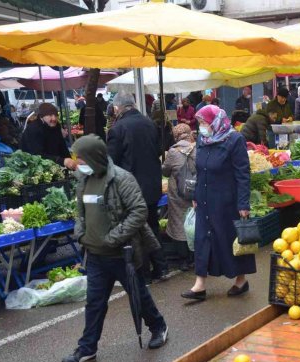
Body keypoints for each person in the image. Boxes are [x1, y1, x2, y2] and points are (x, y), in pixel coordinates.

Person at [61, 134, 168, 362]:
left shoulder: (121, 178)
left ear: (94, 157)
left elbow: (139, 211)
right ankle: (87, 348)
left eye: (80, 159)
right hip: (96, 256)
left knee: (138, 295)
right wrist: (80, 233)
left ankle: (158, 326)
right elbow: (80, 212)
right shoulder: (84, 179)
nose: (77, 164)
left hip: (123, 253)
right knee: (94, 303)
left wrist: (114, 237)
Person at [181, 105, 255, 302]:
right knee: (202, 240)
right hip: (205, 198)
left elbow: (242, 174)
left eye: (204, 122)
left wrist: (243, 203)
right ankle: (200, 284)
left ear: (216, 121)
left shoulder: (234, 140)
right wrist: (196, 195)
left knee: (230, 240)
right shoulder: (203, 139)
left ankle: (241, 280)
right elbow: (200, 170)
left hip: (227, 201)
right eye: (200, 123)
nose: (202, 126)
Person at [106, 92, 169, 282]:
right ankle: (161, 267)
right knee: (152, 225)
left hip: (130, 188)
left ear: (118, 108)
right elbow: (159, 149)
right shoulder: (150, 123)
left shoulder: (117, 129)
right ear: (133, 104)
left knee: (136, 232)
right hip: (152, 184)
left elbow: (112, 162)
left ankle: (144, 274)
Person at [162, 124, 196, 271]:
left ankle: (183, 261)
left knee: (178, 224)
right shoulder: (198, 149)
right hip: (195, 192)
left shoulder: (173, 152)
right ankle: (194, 257)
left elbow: (165, 171)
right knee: (194, 222)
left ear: (176, 136)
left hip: (177, 194)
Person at [20, 103, 77, 170]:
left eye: (56, 115)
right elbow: (37, 154)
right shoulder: (33, 129)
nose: (54, 118)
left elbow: (62, 146)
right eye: (50, 115)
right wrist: (61, 160)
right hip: (33, 167)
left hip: (54, 164)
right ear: (42, 117)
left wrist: (70, 162)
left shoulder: (56, 126)